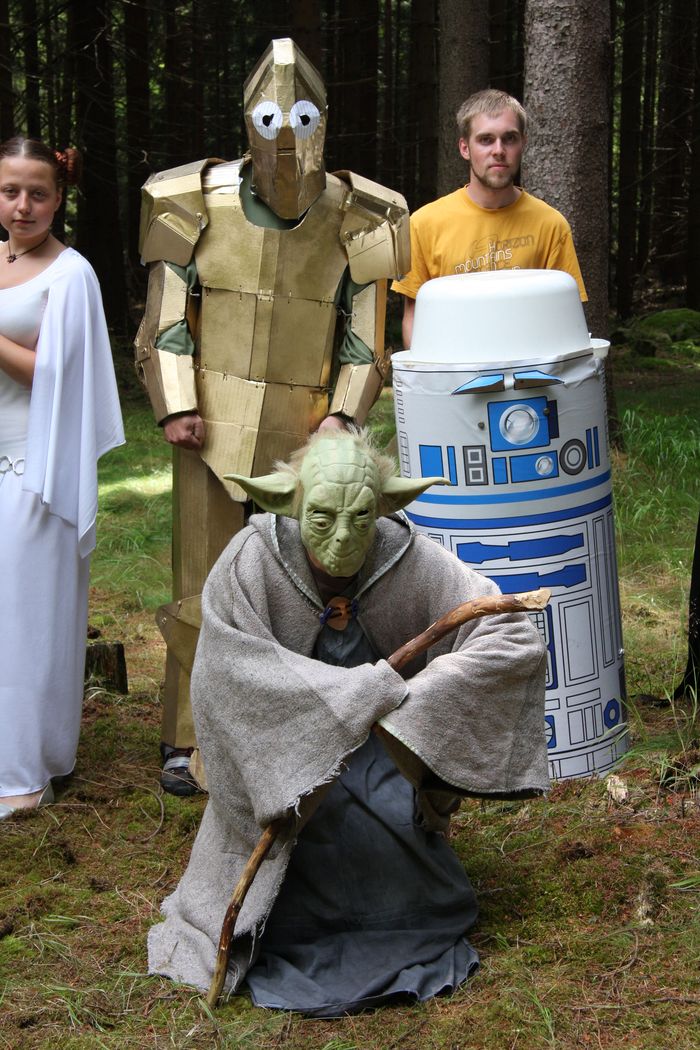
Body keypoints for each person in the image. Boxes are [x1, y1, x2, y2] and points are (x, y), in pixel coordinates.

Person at [147, 431, 548, 1015]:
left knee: (402, 890)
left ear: (383, 506)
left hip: (380, 766)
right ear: (290, 503)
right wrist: (359, 693)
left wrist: (416, 703)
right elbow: (230, 677)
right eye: (322, 517)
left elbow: (508, 633)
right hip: (289, 781)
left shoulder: (405, 556)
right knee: (286, 896)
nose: (342, 538)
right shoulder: (251, 561)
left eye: (360, 518)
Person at [135, 38, 409, 796]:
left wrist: (344, 416)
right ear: (247, 120)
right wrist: (176, 403)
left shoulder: (366, 212)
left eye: (302, 118)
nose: (285, 136)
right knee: (202, 584)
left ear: (324, 120)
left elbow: (368, 337)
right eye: (270, 118)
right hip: (210, 426)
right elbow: (165, 318)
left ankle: (301, 723)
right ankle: (190, 737)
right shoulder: (190, 198)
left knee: (305, 580)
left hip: (308, 430)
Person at [0, 137, 124, 819]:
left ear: (58, 198)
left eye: (37, 193)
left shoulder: (72, 275)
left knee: (25, 618)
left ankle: (26, 769)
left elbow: (53, 373)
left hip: (34, 466)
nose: (22, 206)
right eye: (10, 191)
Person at [392, 88, 587, 349]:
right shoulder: (424, 224)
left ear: (523, 143)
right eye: (486, 140)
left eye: (509, 139)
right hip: (453, 368)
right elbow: (414, 317)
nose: (499, 150)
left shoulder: (550, 225)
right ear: (465, 148)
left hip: (529, 370)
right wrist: (427, 372)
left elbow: (566, 319)